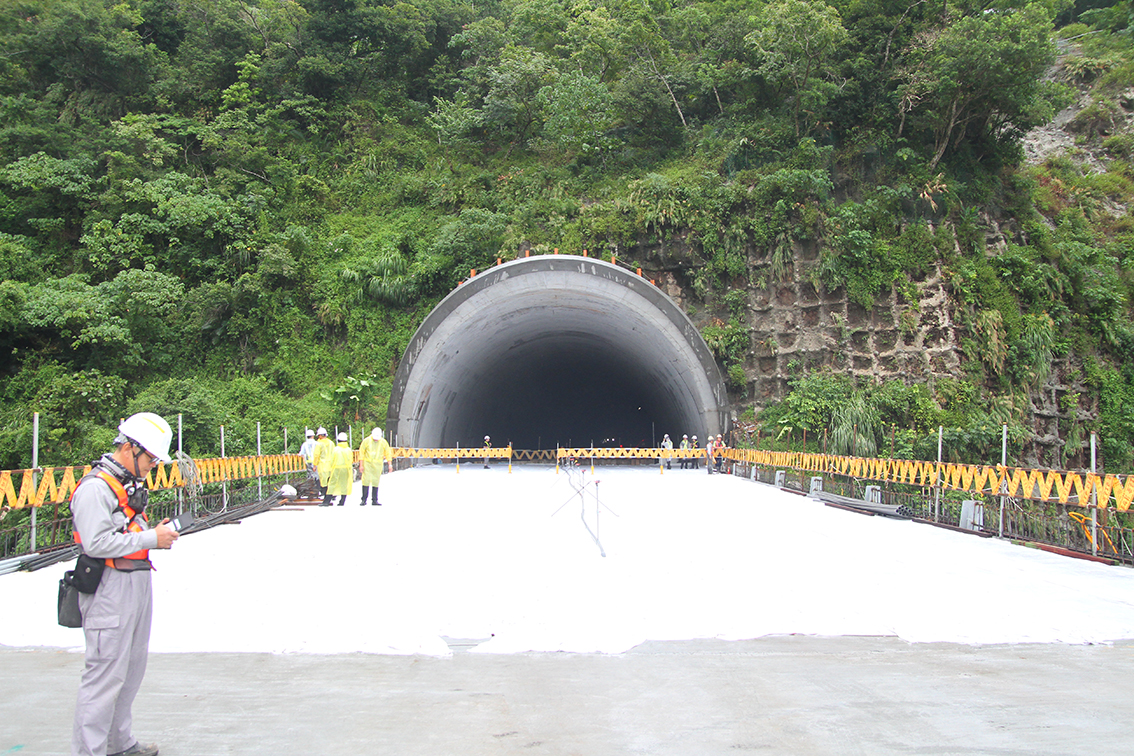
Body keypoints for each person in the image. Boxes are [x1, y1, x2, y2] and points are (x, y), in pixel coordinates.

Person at [70, 412, 179, 756]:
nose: (152, 466)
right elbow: (96, 543)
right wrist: (150, 538)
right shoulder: (95, 488)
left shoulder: (127, 485)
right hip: (108, 590)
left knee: (130, 670)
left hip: (134, 583)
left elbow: (126, 532)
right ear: (131, 448)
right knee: (104, 677)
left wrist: (152, 534)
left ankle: (119, 743)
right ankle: (90, 751)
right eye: (150, 459)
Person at [358, 427, 392, 506]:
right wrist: (361, 465)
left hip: (378, 465)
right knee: (365, 481)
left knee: (375, 482)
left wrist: (390, 464)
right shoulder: (366, 441)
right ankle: (364, 499)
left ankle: (374, 500)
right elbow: (361, 453)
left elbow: (388, 453)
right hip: (367, 464)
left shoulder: (383, 442)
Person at [321, 432, 354, 506]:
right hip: (346, 469)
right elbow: (351, 460)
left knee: (331, 484)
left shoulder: (336, 449)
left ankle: (326, 502)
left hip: (336, 469)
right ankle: (342, 501)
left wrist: (330, 469)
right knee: (344, 485)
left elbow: (332, 460)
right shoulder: (349, 450)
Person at [312, 427, 333, 498]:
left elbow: (316, 455)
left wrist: (314, 465)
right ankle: (331, 495)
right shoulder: (331, 443)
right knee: (330, 480)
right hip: (330, 464)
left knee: (323, 481)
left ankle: (324, 494)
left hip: (322, 464)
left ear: (320, 435)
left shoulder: (319, 444)